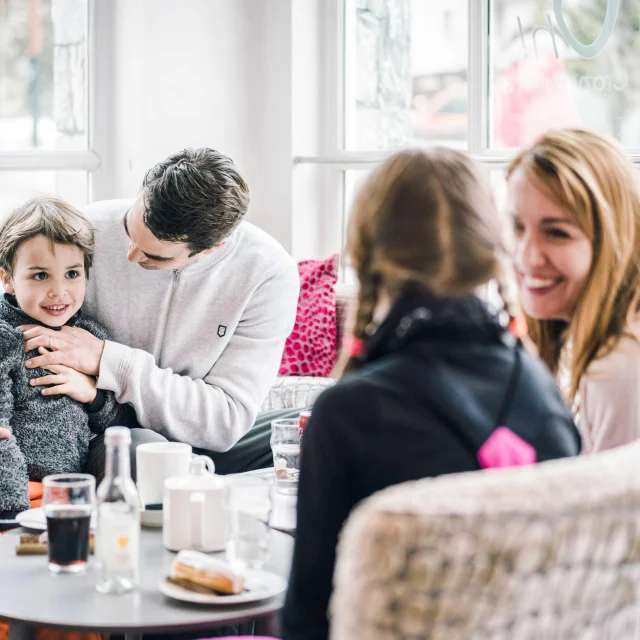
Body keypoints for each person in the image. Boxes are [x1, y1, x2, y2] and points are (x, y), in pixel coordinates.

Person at [280, 148, 581, 640]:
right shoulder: (544, 391)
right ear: (491, 248)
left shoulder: (346, 414)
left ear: (368, 254)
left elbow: (309, 622)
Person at [15, 149, 300, 480]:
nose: (131, 255)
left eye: (153, 255)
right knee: (144, 450)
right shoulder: (81, 229)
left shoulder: (267, 272)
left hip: (206, 438)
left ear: (212, 248)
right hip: (110, 430)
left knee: (324, 424)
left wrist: (108, 360)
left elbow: (226, 421)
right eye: (129, 230)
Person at [507, 128, 640, 453]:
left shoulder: (619, 369)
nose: (528, 256)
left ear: (612, 241)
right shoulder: (587, 344)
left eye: (556, 233)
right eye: (517, 228)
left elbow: (615, 504)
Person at [0, 198, 119, 520]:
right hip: (19, 491)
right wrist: (17, 512)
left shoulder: (90, 336)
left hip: (77, 487)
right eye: (40, 276)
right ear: (8, 279)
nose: (59, 291)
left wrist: (93, 396)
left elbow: (117, 423)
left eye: (71, 274)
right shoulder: (4, 337)